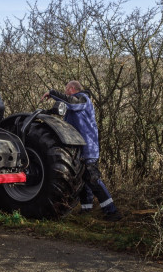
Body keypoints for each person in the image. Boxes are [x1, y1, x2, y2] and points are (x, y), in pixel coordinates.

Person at [43, 81, 121, 222]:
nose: (65, 91)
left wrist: (53, 93)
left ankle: (112, 211)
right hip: (78, 148)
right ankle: (86, 209)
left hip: (88, 147)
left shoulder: (83, 99)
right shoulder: (73, 103)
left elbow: (72, 103)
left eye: (66, 89)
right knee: (82, 179)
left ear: (72, 89)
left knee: (93, 178)